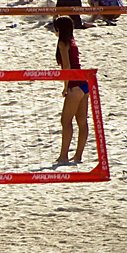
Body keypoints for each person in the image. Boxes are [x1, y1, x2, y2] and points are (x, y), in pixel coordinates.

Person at [54, 16, 89, 164]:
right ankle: (78, 156)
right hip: (85, 84)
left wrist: (65, 87)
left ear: (59, 29)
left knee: (66, 120)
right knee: (82, 121)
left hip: (75, 84)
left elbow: (67, 67)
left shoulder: (63, 43)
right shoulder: (72, 42)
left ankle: (63, 157)